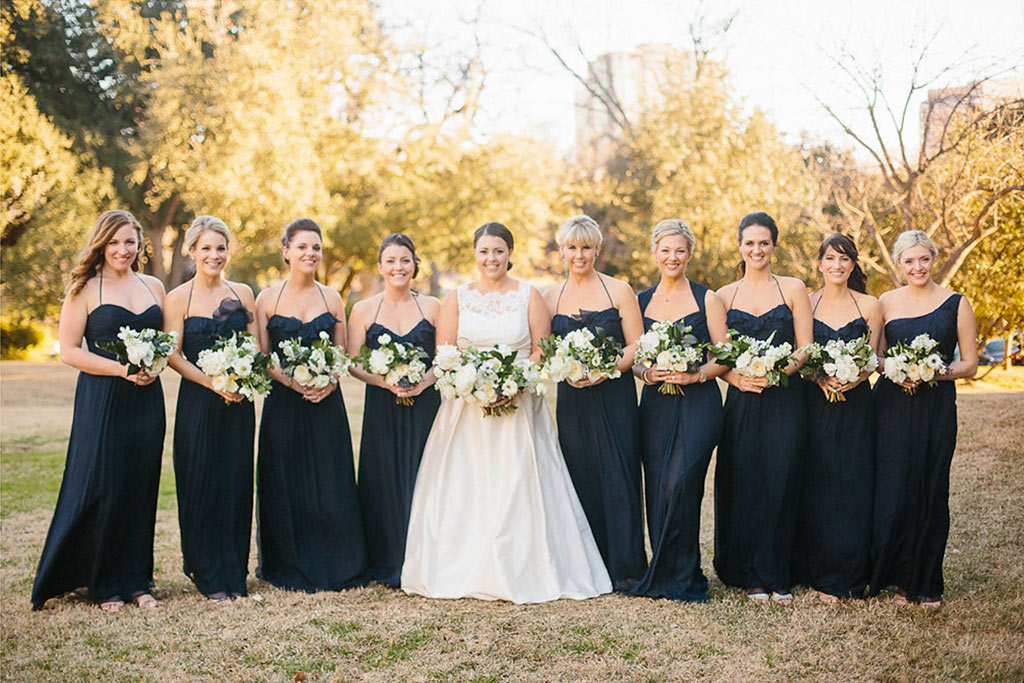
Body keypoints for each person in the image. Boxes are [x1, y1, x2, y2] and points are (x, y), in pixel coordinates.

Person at [402, 222, 612, 603]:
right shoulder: (456, 298)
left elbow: (540, 349)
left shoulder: (529, 296)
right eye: (484, 251)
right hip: (466, 410)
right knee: (468, 485)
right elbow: (446, 355)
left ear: (510, 254)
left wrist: (510, 383)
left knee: (518, 484)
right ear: (475, 254)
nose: (491, 258)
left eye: (498, 251)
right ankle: (463, 567)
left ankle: (524, 568)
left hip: (519, 406)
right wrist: (475, 385)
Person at [32, 210, 166, 612]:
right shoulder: (85, 288)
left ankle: (138, 580)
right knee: (105, 486)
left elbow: (167, 342)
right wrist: (122, 369)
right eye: (114, 242)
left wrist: (150, 367)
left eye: (129, 242)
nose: (123, 250)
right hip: (102, 400)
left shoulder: (155, 286)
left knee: (141, 486)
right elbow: (70, 351)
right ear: (101, 245)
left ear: (140, 244)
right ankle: (104, 584)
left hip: (147, 399)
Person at [254, 218, 367, 591]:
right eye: (302, 247)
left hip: (325, 405)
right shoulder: (267, 299)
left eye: (315, 247)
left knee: (330, 481)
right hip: (284, 405)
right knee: (284, 480)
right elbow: (263, 357)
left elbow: (341, 354)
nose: (310, 253)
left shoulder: (332, 298)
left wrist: (328, 382)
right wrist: (293, 381)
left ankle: (338, 561)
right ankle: (287, 562)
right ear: (286, 251)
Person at [869, 230, 977, 607]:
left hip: (935, 407)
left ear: (934, 259)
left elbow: (969, 363)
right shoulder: (885, 302)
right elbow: (875, 357)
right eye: (909, 261)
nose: (917, 267)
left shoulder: (957, 303)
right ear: (898, 265)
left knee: (931, 488)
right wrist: (898, 369)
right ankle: (893, 575)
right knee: (894, 488)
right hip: (891, 407)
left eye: (924, 259)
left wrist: (932, 372)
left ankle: (926, 580)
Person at [542, 215, 647, 591]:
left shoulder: (619, 291)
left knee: (619, 474)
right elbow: (543, 351)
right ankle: (589, 565)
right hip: (573, 399)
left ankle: (627, 568)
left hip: (614, 394)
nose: (579, 254)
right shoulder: (549, 297)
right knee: (580, 472)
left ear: (597, 249)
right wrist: (564, 371)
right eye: (572, 247)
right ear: (562, 251)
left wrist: (607, 369)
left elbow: (636, 345)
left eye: (586, 247)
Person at [714, 211, 812, 605]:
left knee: (783, 479)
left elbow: (804, 347)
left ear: (774, 245)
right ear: (740, 246)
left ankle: (779, 571)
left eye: (764, 243)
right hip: (742, 402)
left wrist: (777, 372)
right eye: (749, 243)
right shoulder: (723, 296)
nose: (757, 249)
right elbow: (721, 357)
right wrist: (739, 378)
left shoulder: (793, 288)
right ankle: (750, 573)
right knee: (745, 481)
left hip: (786, 398)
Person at [629, 219, 728, 602]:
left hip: (699, 405)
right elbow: (634, 359)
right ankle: (663, 570)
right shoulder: (641, 301)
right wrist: (647, 372)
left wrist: (696, 376)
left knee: (681, 483)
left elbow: (723, 356)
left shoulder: (707, 299)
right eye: (666, 250)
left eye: (680, 251)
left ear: (690, 254)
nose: (673, 257)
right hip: (655, 406)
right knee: (657, 486)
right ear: (655, 253)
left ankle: (685, 574)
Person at [163, 216, 259, 602]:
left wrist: (242, 378)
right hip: (199, 401)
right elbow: (173, 354)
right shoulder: (177, 298)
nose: (214, 255)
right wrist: (211, 381)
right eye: (206, 248)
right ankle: (205, 571)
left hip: (239, 403)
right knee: (200, 480)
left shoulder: (244, 293)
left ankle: (234, 570)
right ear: (192, 251)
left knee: (236, 482)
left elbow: (254, 346)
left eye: (220, 248)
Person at [348, 234, 441, 587]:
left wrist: (424, 381)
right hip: (382, 406)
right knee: (383, 477)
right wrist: (383, 380)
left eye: (405, 260)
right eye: (391, 261)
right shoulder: (363, 310)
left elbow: (446, 358)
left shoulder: (433, 307)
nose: (398, 267)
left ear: (415, 264)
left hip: (425, 405)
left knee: (426, 476)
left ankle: (426, 558)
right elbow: (352, 363)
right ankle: (387, 558)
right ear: (380, 267)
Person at [793, 233, 882, 603]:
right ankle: (816, 569)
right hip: (813, 405)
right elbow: (799, 356)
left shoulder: (871, 306)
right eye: (830, 258)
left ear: (854, 264)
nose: (837, 265)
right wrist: (819, 377)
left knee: (853, 484)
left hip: (857, 406)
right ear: (819, 263)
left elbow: (875, 358)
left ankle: (850, 572)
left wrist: (853, 378)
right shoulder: (806, 302)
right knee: (816, 482)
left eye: (845, 259)